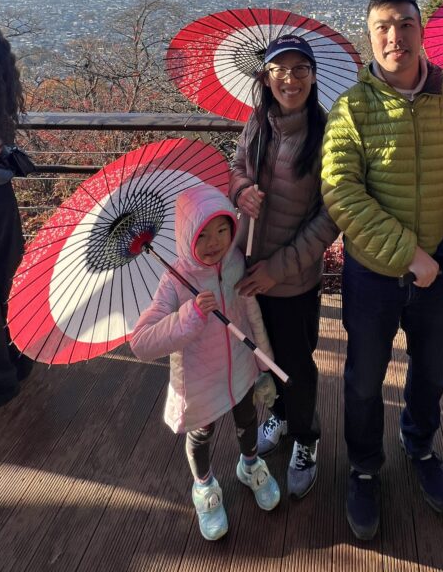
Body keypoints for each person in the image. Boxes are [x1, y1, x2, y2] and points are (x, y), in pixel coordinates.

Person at [321, 0, 443, 540]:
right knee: (365, 378)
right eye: (383, 27)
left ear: (421, 29)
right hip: (374, 273)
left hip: (440, 268)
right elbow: (341, 192)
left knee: (431, 370)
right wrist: (408, 254)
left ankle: (421, 445)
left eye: (405, 24)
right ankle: (365, 467)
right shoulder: (351, 107)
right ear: (370, 36)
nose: (395, 37)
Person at [130, 183, 280, 541]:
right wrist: (191, 315)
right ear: (186, 236)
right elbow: (141, 343)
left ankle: (250, 465)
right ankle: (205, 486)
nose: (214, 242)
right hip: (199, 381)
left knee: (247, 420)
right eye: (202, 234)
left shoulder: (235, 262)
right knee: (202, 434)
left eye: (222, 230)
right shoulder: (174, 281)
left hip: (240, 367)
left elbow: (252, 314)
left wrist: (264, 366)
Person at [230, 34, 338, 499]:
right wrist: (241, 192)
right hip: (249, 267)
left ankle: (305, 436)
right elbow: (236, 167)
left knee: (296, 363)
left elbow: (330, 218)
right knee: (263, 355)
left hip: (292, 278)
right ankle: (278, 414)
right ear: (266, 76)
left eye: (300, 70)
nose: (289, 80)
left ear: (312, 76)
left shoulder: (327, 133)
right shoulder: (258, 123)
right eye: (279, 70)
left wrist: (279, 268)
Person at [0, 24, 34, 408]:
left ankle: (1, 381)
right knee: (9, 280)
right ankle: (19, 358)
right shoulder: (1, 76)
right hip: (0, 197)